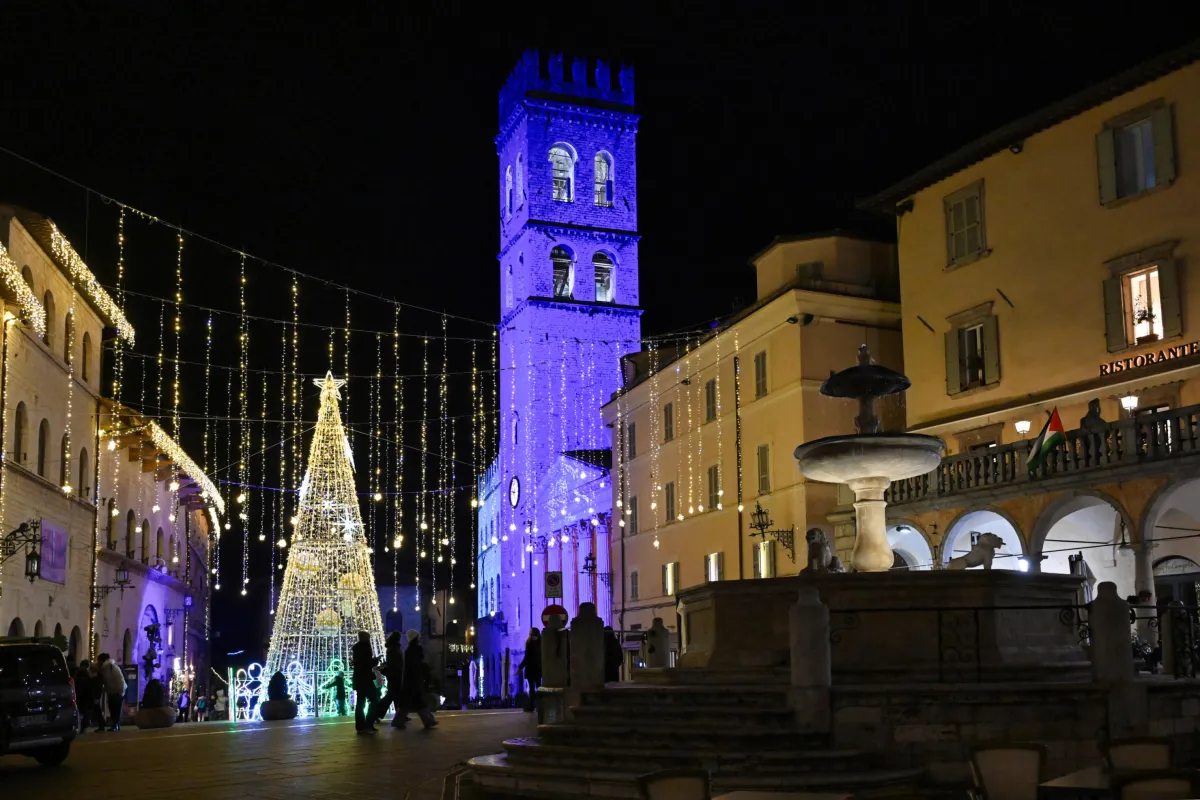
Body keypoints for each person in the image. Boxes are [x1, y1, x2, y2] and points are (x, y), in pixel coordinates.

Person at [401, 629, 437, 729]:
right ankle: (428, 721)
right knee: (419, 702)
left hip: (409, 679)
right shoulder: (416, 649)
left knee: (408, 703)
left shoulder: (408, 650)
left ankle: (398, 720)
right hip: (415, 679)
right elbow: (417, 664)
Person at [375, 631, 406, 727]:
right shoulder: (394, 648)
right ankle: (376, 713)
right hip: (395, 675)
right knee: (392, 695)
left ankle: (400, 715)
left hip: (394, 674)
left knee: (396, 696)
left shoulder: (392, 648)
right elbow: (394, 663)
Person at [351, 631, 380, 733]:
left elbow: (360, 663)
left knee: (360, 703)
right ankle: (368, 724)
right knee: (374, 700)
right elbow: (365, 664)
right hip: (365, 679)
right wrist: (375, 660)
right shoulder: (365, 647)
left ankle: (360, 726)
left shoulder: (357, 648)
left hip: (359, 679)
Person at [96, 653, 126, 732]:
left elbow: (120, 680)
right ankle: (115, 725)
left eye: (99, 660)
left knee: (116, 709)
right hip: (111, 691)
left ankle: (115, 725)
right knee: (112, 708)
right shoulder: (103, 669)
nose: (98, 662)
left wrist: (121, 691)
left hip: (118, 691)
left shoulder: (113, 667)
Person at [517, 628, 542, 713]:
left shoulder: (529, 643)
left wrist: (520, 667)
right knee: (539, 687)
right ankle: (540, 706)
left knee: (532, 688)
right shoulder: (541, 642)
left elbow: (527, 658)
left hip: (531, 669)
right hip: (538, 669)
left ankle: (531, 706)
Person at [74, 659, 96, 732]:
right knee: (85, 712)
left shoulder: (77, 673)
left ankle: (80, 726)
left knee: (80, 711)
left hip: (79, 695)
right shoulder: (86, 673)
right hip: (85, 696)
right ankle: (83, 727)